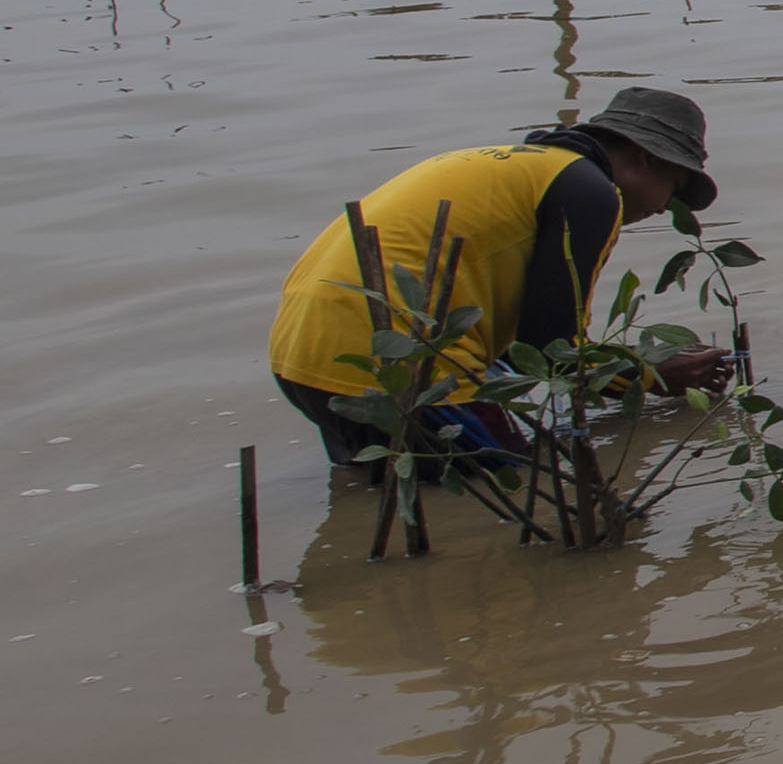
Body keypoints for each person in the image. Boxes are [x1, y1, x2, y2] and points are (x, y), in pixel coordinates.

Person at [266, 86, 735, 477]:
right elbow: (553, 351)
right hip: (389, 361)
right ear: (642, 158)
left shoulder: (517, 167)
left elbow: (515, 346)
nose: (662, 209)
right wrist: (650, 374)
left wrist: (633, 369)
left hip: (301, 359)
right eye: (672, 189)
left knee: (426, 500)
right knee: (534, 483)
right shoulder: (591, 192)